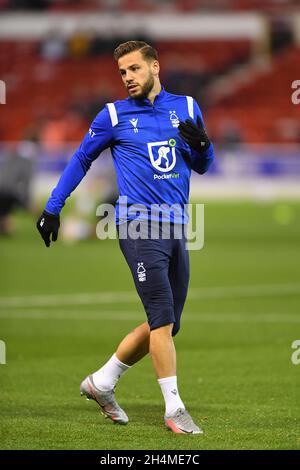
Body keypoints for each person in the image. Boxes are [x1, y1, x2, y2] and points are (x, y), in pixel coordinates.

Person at [36, 40, 215, 434]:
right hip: (136, 225)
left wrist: (202, 145)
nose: (128, 78)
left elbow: (203, 164)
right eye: (122, 72)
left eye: (134, 69)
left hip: (176, 226)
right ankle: (175, 409)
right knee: (163, 318)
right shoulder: (113, 116)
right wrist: (53, 207)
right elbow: (82, 157)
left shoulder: (186, 107)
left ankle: (102, 382)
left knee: (167, 325)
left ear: (155, 66)